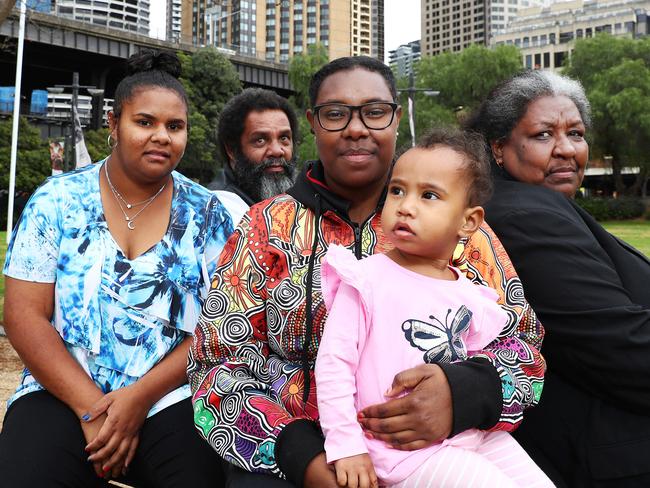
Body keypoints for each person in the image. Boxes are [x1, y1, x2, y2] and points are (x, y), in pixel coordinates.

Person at [188, 56, 546, 488]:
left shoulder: (458, 231)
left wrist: (464, 394)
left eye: (374, 112)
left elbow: (525, 346)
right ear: (313, 124)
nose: (356, 129)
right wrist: (303, 456)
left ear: (395, 119)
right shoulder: (266, 227)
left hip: (440, 450)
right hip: (288, 462)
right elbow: (215, 367)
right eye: (336, 114)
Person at [0, 51, 232, 487]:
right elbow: (22, 315)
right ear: (113, 124)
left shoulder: (207, 214)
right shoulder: (56, 201)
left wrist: (137, 400)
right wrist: (92, 408)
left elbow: (217, 329)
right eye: (144, 122)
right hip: (62, 390)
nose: (161, 136)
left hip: (167, 395)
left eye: (174, 126)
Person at [315, 128, 553, 488]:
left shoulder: (471, 294)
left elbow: (494, 357)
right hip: (402, 452)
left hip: (467, 433)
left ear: (468, 221)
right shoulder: (365, 280)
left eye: (428, 195)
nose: (405, 206)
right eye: (397, 190)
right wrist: (345, 445)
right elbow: (334, 365)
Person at [467, 69, 650, 487]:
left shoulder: (536, 203)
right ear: (498, 148)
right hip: (614, 455)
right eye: (543, 135)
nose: (567, 150)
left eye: (576, 133)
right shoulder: (525, 215)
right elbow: (620, 348)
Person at [208, 87, 299, 205]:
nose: (277, 151)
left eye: (283, 138)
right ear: (232, 150)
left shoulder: (304, 202)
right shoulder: (216, 211)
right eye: (260, 140)